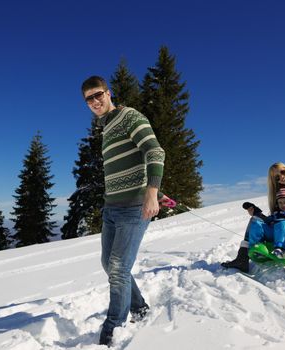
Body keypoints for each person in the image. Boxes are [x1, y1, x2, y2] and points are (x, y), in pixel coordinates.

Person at [81, 76, 166, 347]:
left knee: (118, 268)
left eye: (98, 95)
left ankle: (112, 331)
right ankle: (139, 307)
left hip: (134, 208)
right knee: (110, 264)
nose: (95, 101)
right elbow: (129, 165)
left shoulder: (128, 116)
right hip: (112, 208)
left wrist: (152, 192)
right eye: (89, 99)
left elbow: (154, 151)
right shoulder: (105, 129)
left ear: (109, 92)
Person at [221, 162, 285, 272]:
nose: (282, 177)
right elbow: (272, 219)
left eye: (283, 172)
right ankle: (242, 258)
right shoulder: (277, 194)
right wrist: (256, 213)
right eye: (277, 177)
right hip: (284, 231)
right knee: (255, 220)